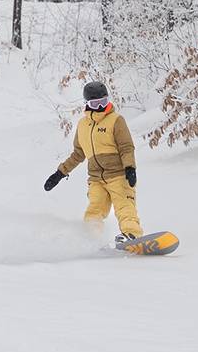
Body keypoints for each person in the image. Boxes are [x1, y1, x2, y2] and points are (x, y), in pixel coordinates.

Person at [44, 80, 141, 244]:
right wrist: (59, 173)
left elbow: (126, 147)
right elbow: (78, 154)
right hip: (96, 179)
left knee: (125, 206)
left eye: (103, 102)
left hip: (118, 176)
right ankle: (92, 240)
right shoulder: (83, 125)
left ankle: (132, 234)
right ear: (87, 104)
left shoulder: (116, 120)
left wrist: (130, 168)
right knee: (94, 210)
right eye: (95, 104)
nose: (100, 107)